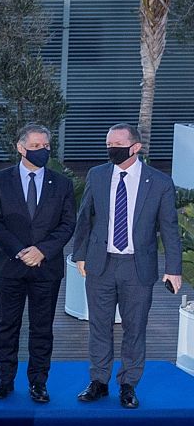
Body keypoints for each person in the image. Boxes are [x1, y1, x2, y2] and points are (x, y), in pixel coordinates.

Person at [73, 123, 183, 408]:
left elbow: (169, 228)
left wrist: (174, 268)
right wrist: (79, 255)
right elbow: (85, 217)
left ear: (135, 147)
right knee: (99, 325)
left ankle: (128, 384)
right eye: (108, 144)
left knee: (135, 327)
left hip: (138, 267)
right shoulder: (97, 175)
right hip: (101, 264)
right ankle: (98, 380)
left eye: (118, 144)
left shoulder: (158, 182)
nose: (112, 149)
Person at [0, 124, 76, 403]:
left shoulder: (62, 184)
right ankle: (5, 378)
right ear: (20, 147)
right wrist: (21, 251)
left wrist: (42, 251)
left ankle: (38, 382)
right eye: (36, 146)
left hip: (46, 268)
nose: (42, 151)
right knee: (7, 324)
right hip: (10, 266)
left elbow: (67, 223)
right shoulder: (0, 180)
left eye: (46, 146)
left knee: (42, 326)